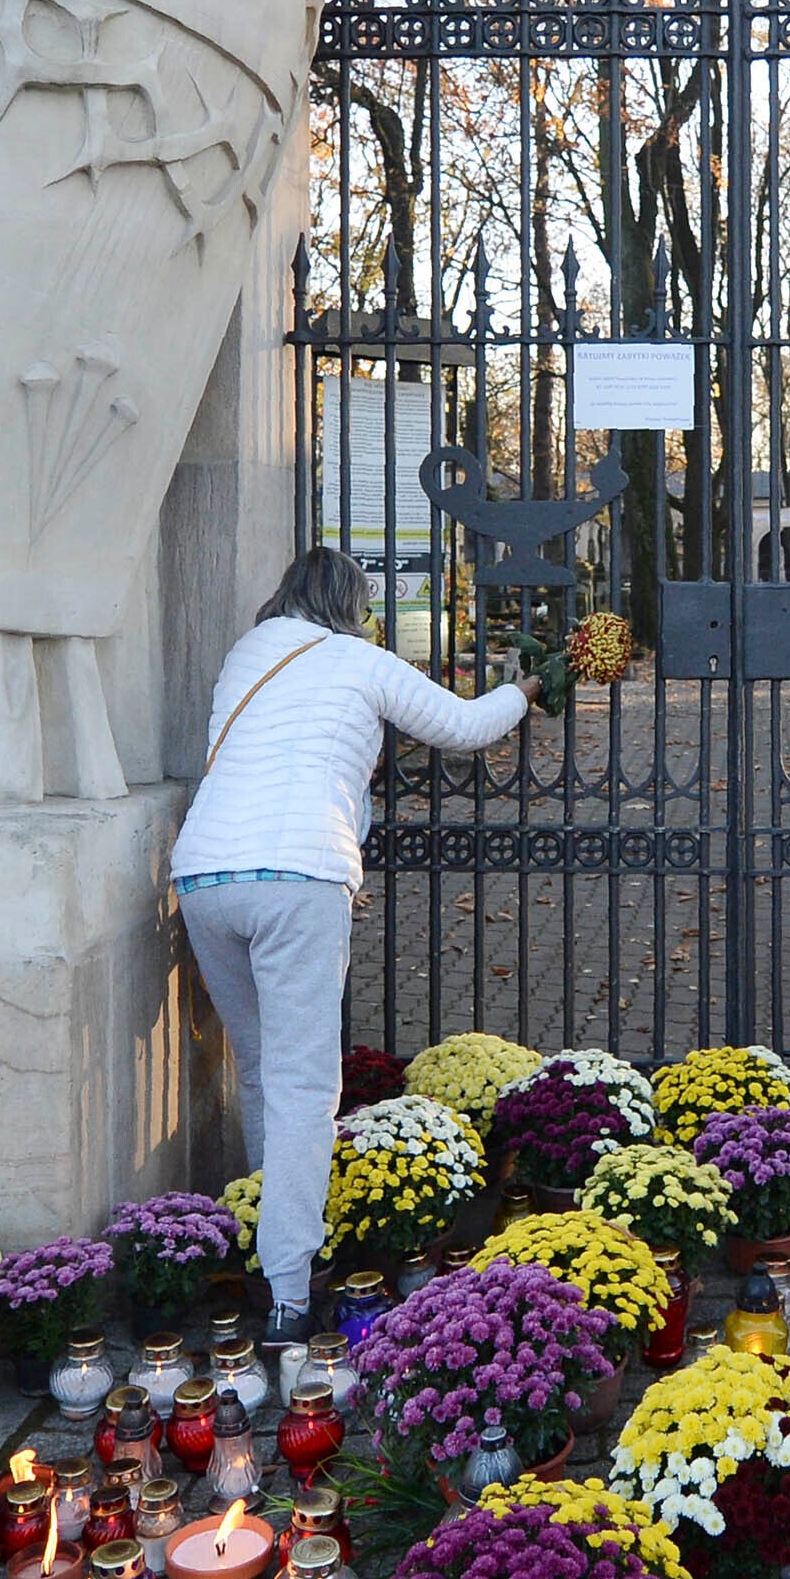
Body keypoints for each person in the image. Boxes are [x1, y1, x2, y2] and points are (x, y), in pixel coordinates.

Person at [170, 549, 533, 1332]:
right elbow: (464, 726)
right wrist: (524, 688)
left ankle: (278, 1237)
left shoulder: (246, 654)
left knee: (263, 1069)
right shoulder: (358, 661)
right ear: (352, 605)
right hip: (298, 873)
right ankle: (292, 1291)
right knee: (305, 1084)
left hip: (204, 876)